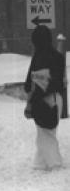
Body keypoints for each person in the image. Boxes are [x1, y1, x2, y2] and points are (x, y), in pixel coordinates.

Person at [24, 25, 64, 171]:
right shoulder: (58, 57)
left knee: (45, 131)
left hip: (42, 97)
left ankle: (54, 163)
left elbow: (31, 81)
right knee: (48, 130)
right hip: (56, 97)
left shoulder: (38, 56)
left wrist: (32, 98)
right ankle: (40, 162)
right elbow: (58, 80)